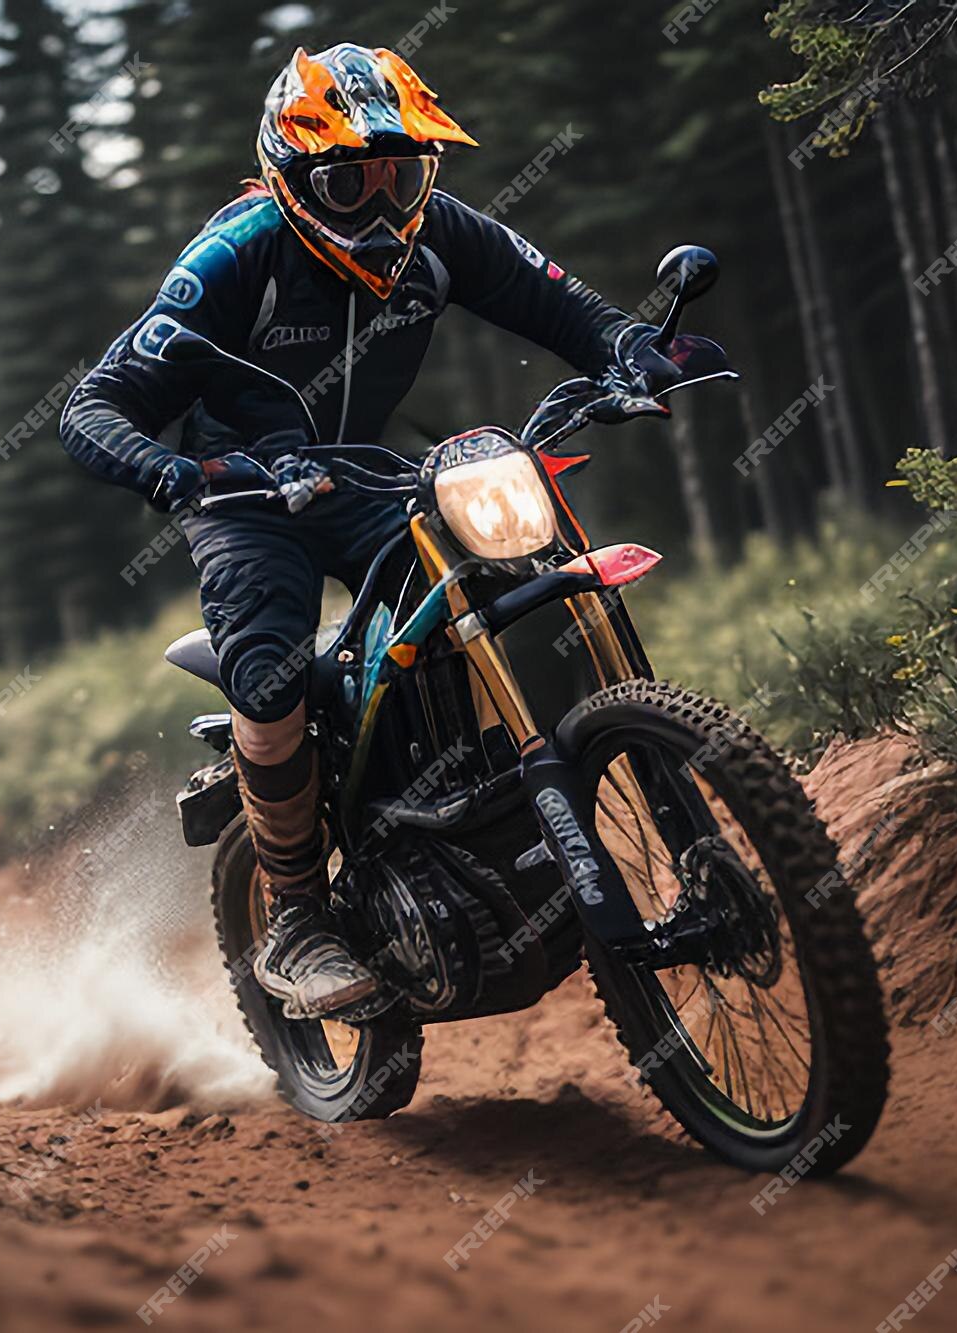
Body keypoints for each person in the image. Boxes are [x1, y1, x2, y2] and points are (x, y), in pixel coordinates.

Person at [60, 43, 642, 1018]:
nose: (378, 207)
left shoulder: (438, 231)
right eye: (345, 183)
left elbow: (558, 303)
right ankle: (297, 919)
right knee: (270, 665)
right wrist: (171, 470)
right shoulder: (234, 254)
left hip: (369, 479)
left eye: (400, 175)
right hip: (244, 498)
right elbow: (93, 404)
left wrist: (629, 350)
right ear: (290, 180)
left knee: (506, 581)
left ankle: (509, 799)